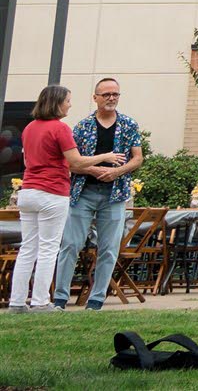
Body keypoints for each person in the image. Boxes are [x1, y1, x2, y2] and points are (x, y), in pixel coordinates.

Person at [9, 86, 123, 312]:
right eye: (68, 101)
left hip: (28, 191)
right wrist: (106, 157)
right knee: (49, 248)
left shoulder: (29, 128)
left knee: (28, 248)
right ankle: (41, 302)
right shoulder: (60, 129)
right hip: (52, 192)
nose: (70, 104)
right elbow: (76, 162)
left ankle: (17, 301)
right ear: (57, 103)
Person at [52, 77, 145, 310]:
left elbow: (138, 158)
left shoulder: (129, 125)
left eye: (115, 94)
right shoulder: (82, 127)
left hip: (115, 195)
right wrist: (95, 169)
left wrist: (117, 172)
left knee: (109, 247)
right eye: (106, 95)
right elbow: (71, 163)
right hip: (83, 193)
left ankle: (96, 299)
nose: (111, 98)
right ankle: (60, 298)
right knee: (70, 244)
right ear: (95, 98)